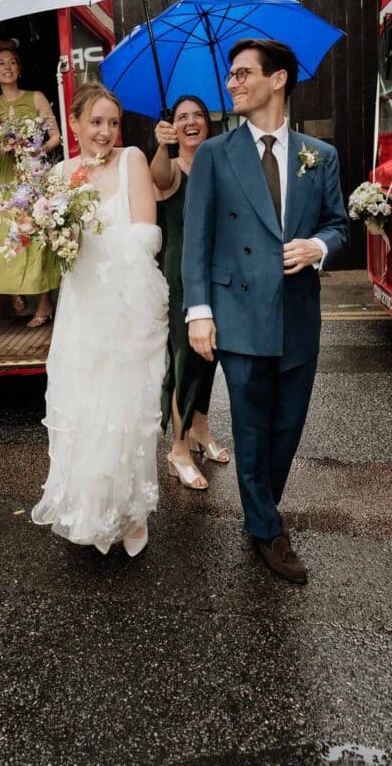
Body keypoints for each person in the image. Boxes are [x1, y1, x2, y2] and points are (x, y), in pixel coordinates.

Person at [182, 39, 348, 584]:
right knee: (252, 429)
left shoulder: (318, 155)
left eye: (243, 73)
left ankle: (262, 510)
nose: (232, 83)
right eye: (230, 75)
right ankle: (266, 530)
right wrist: (199, 311)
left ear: (278, 80)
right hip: (237, 312)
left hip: (298, 314)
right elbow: (196, 239)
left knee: (288, 428)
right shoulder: (214, 153)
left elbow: (338, 224)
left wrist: (318, 247)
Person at [32, 84, 168, 557]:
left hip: (128, 305)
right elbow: (55, 250)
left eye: (113, 122)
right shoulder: (60, 175)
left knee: (127, 411)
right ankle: (91, 507)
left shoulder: (132, 158)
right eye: (96, 122)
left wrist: (102, 252)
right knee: (86, 409)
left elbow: (148, 233)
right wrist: (54, 233)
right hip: (83, 308)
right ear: (74, 124)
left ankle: (130, 513)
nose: (106, 132)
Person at [151, 95, 230, 492]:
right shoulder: (172, 169)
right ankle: (177, 450)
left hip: (217, 275)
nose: (191, 121)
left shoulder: (218, 165)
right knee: (185, 362)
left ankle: (201, 429)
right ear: (173, 127)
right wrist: (161, 146)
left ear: (209, 123)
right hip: (181, 277)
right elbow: (159, 179)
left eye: (198, 115)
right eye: (182, 117)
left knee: (209, 356)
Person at [0, 41, 61, 327]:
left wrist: (37, 151)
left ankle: (45, 305)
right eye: (1, 64)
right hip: (4, 177)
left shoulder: (36, 98)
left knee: (35, 237)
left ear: (19, 69)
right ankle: (14, 289)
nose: (7, 67)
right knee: (2, 235)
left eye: (12, 62)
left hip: (32, 175)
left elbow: (55, 136)